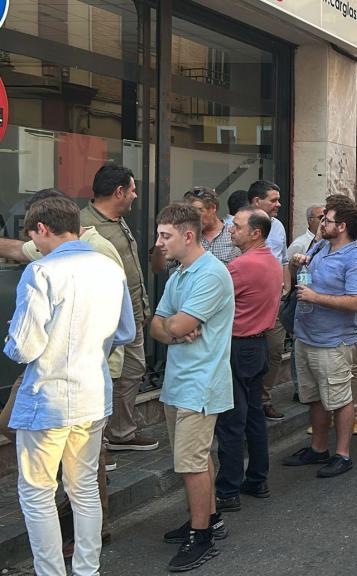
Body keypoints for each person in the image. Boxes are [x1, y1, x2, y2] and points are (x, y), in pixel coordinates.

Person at [7, 196, 135, 576]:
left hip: (47, 397)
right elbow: (126, 330)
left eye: (34, 237)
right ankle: (87, 570)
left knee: (37, 492)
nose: (35, 245)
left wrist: (12, 342)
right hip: (93, 393)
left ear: (42, 229)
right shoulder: (110, 268)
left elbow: (24, 346)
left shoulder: (42, 271)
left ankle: (51, 573)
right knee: (83, 490)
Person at [150, 203, 235, 572]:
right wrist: (173, 327)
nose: (158, 243)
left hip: (200, 384)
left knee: (191, 464)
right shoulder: (181, 274)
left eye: (164, 235)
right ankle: (209, 519)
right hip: (179, 381)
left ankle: (200, 537)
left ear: (188, 235)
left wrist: (173, 327)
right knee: (195, 461)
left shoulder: (210, 275)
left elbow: (173, 327)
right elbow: (156, 324)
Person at [281, 194, 357, 479]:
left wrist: (317, 297)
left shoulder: (355, 259)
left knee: (340, 399)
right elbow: (302, 279)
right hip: (306, 336)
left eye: (326, 220)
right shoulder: (321, 246)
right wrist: (296, 265)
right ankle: (318, 448)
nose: (321, 223)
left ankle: (343, 454)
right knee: (314, 398)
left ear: (341, 226)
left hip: (333, 341)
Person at [85, 165, 158, 452]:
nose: (136, 195)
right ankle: (100, 441)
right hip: (107, 323)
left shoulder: (117, 219)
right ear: (119, 192)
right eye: (132, 190)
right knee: (108, 377)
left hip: (132, 316)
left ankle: (121, 432)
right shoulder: (85, 227)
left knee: (133, 370)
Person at [213, 207, 282, 513]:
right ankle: (257, 478)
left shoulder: (240, 267)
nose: (231, 230)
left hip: (239, 346)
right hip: (257, 346)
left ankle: (228, 489)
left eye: (237, 226)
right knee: (253, 415)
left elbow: (213, 304)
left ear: (255, 233)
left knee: (232, 421)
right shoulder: (271, 260)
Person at [248, 180, 288, 423]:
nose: (278, 204)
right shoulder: (237, 225)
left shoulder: (279, 227)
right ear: (256, 201)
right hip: (249, 304)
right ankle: (248, 402)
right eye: (273, 200)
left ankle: (264, 398)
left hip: (274, 303)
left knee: (274, 351)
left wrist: (286, 289)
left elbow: (282, 258)